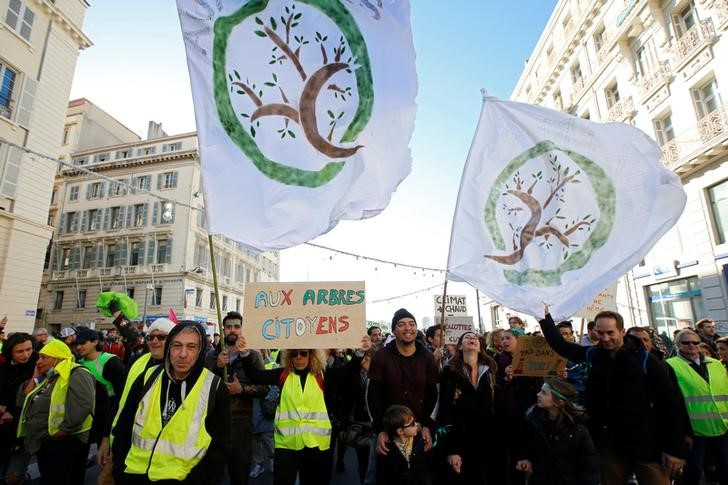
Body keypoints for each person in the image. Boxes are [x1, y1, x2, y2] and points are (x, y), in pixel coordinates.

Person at [539, 307, 687, 485]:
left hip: (646, 444)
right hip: (609, 444)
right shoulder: (594, 354)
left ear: (622, 332)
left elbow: (670, 404)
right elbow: (562, 346)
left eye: (610, 332)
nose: (605, 338)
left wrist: (674, 449)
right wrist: (544, 317)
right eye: (600, 333)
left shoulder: (647, 361)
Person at [236, 335, 370, 485]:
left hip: (316, 445)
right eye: (294, 353)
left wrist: (359, 353)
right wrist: (244, 353)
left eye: (303, 353)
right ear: (289, 355)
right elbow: (256, 376)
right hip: (287, 445)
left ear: (311, 354)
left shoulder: (323, 376)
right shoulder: (283, 375)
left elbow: (348, 371)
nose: (299, 357)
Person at [112, 321, 231, 484]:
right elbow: (124, 428)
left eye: (191, 347)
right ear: (168, 348)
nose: (182, 354)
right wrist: (120, 471)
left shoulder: (214, 387)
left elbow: (220, 448)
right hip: (134, 475)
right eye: (176, 345)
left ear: (201, 351)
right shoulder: (148, 377)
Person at [96, 318, 175, 485]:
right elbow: (120, 401)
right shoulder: (136, 361)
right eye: (150, 337)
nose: (154, 341)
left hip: (160, 459)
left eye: (161, 337)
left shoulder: (181, 368)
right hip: (123, 448)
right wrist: (105, 438)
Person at [367, 308, 438, 485]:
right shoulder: (381, 356)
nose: (408, 328)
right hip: (388, 432)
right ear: (393, 330)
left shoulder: (427, 357)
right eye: (401, 324)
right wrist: (380, 430)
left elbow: (434, 394)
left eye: (412, 324)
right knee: (379, 477)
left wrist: (428, 425)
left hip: (418, 430)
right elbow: (372, 396)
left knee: (419, 477)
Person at [17, 339, 95, 485]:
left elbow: (83, 405)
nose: (38, 361)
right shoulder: (47, 377)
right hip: (46, 440)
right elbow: (22, 401)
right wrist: (36, 375)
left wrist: (64, 430)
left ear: (58, 359)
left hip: (65, 441)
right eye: (39, 357)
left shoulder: (77, 373)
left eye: (44, 358)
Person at [204, 311, 268, 485]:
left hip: (241, 423)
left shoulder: (252, 355)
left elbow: (264, 388)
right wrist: (217, 367)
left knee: (239, 472)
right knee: (213, 473)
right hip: (214, 422)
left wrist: (242, 389)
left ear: (242, 329)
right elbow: (202, 387)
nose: (233, 330)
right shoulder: (211, 355)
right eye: (229, 326)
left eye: (237, 326)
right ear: (223, 329)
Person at [666, 329, 728, 485]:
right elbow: (673, 403)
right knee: (693, 472)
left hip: (722, 427)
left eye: (695, 342)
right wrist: (682, 432)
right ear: (678, 344)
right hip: (694, 431)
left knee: (725, 470)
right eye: (686, 343)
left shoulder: (716, 364)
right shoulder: (670, 365)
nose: (691, 346)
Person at [438, 331, 500, 484]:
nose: (472, 339)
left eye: (475, 338)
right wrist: (452, 450)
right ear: (460, 346)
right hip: (462, 440)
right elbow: (446, 412)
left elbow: (499, 407)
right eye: (467, 337)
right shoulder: (450, 372)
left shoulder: (490, 372)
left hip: (487, 441)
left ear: (480, 347)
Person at [515, 379, 598, 485]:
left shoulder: (579, 431)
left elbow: (589, 469)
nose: (538, 394)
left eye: (544, 393)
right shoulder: (535, 423)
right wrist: (527, 460)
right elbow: (530, 449)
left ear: (558, 402)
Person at [495, 329, 542, 484]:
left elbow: (544, 380)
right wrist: (505, 378)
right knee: (515, 457)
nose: (504, 342)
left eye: (508, 338)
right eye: (502, 339)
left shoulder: (534, 359)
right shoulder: (497, 361)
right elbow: (494, 387)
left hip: (533, 412)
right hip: (511, 416)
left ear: (519, 341)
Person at [0, 333, 37, 485]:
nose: (26, 354)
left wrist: (12, 413)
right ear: (10, 352)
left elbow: (33, 397)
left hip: (24, 430)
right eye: (20, 351)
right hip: (3, 430)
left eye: (28, 349)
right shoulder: (3, 367)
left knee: (14, 476)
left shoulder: (38, 365)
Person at [376, 405, 426, 485]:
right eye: (412, 423)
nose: (416, 424)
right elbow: (383, 475)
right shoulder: (388, 449)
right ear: (400, 431)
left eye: (415, 420)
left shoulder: (420, 441)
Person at [75, 328, 126, 403]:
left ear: (95, 342)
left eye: (82, 343)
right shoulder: (78, 362)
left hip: (108, 408)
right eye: (77, 344)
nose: (78, 347)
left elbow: (123, 390)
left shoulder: (111, 361)